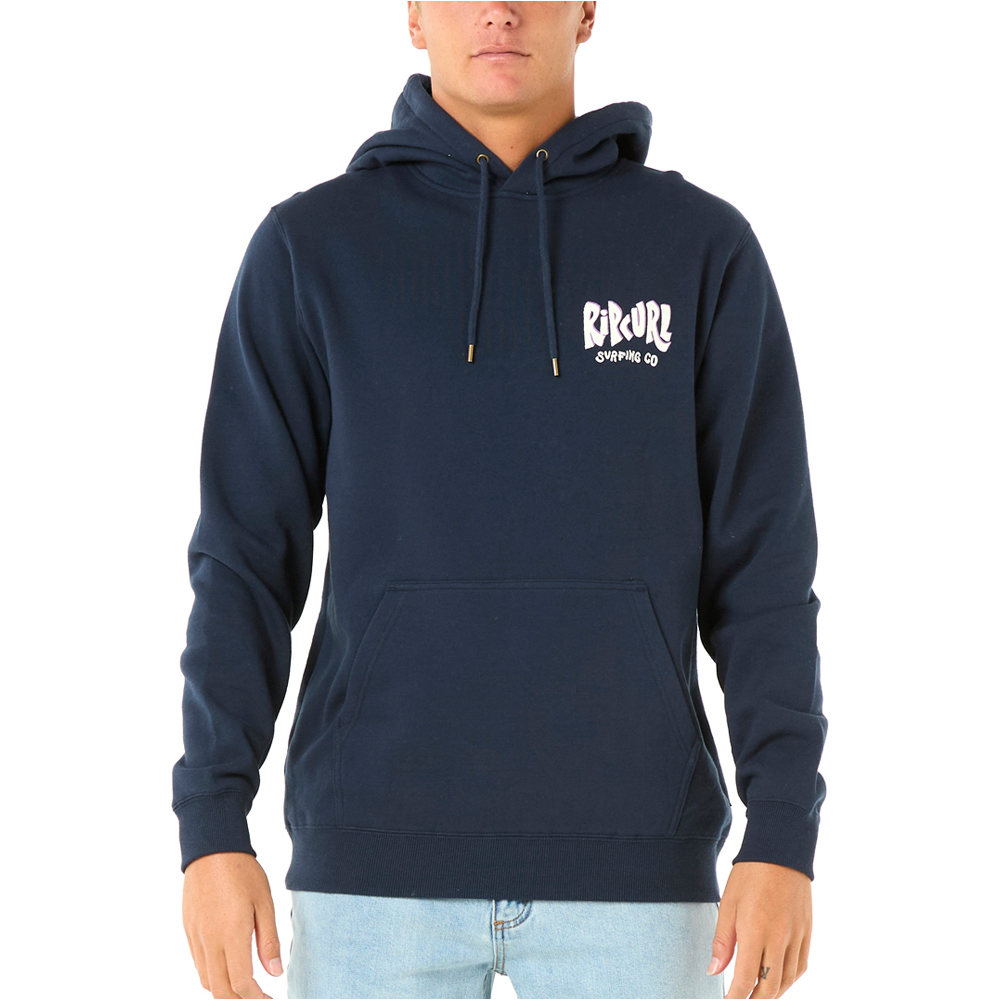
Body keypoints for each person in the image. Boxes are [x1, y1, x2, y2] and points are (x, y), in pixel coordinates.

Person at [172, 3, 827, 998]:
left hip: (637, 879)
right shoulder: (313, 249)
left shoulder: (699, 249)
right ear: (412, 14)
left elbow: (764, 568)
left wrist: (782, 832)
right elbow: (242, 562)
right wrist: (212, 825)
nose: (499, 9)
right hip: (372, 875)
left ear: (588, 10)